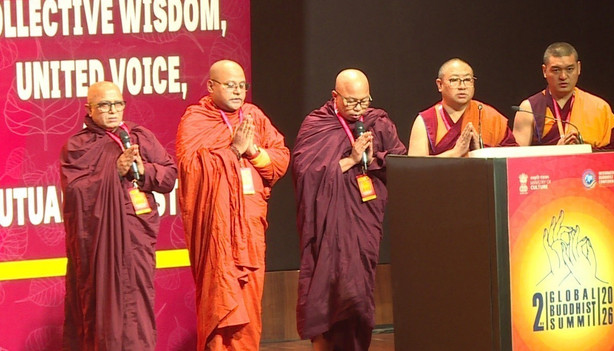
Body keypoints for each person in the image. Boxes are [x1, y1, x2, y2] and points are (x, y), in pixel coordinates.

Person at [175, 60, 290, 350]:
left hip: (250, 230)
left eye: (242, 85)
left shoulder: (254, 116)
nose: (238, 91)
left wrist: (252, 150)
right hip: (218, 231)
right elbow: (190, 169)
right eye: (230, 85)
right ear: (211, 86)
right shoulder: (196, 120)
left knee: (249, 306)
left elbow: (279, 161)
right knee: (220, 301)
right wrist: (233, 151)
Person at [292, 69, 406, 351]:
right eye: (352, 102)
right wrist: (352, 159)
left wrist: (374, 159)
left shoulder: (378, 122)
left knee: (357, 292)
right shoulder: (317, 124)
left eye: (364, 101)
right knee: (329, 294)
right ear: (335, 96)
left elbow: (399, 162)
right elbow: (305, 174)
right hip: (328, 229)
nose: (359, 108)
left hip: (363, 224)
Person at [60, 81, 177, 350]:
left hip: (137, 236)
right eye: (104, 105)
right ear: (89, 109)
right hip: (100, 244)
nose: (113, 110)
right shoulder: (78, 147)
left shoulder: (140, 136)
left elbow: (169, 176)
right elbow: (77, 192)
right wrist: (113, 171)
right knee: (105, 306)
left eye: (118, 103)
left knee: (138, 302)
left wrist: (143, 170)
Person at [513, 42, 614, 150]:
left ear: (578, 68)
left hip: (589, 166)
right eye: (556, 70)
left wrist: (584, 150)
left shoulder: (599, 107)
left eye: (569, 69)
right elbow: (517, 159)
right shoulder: (529, 109)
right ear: (544, 71)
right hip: (546, 167)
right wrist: (556, 151)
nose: (563, 76)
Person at [408, 58, 517, 156]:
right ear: (440, 85)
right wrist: (455, 153)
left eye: (467, 80)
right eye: (454, 80)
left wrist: (481, 152)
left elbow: (514, 158)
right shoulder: (427, 120)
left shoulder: (491, 116)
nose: (462, 86)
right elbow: (414, 167)